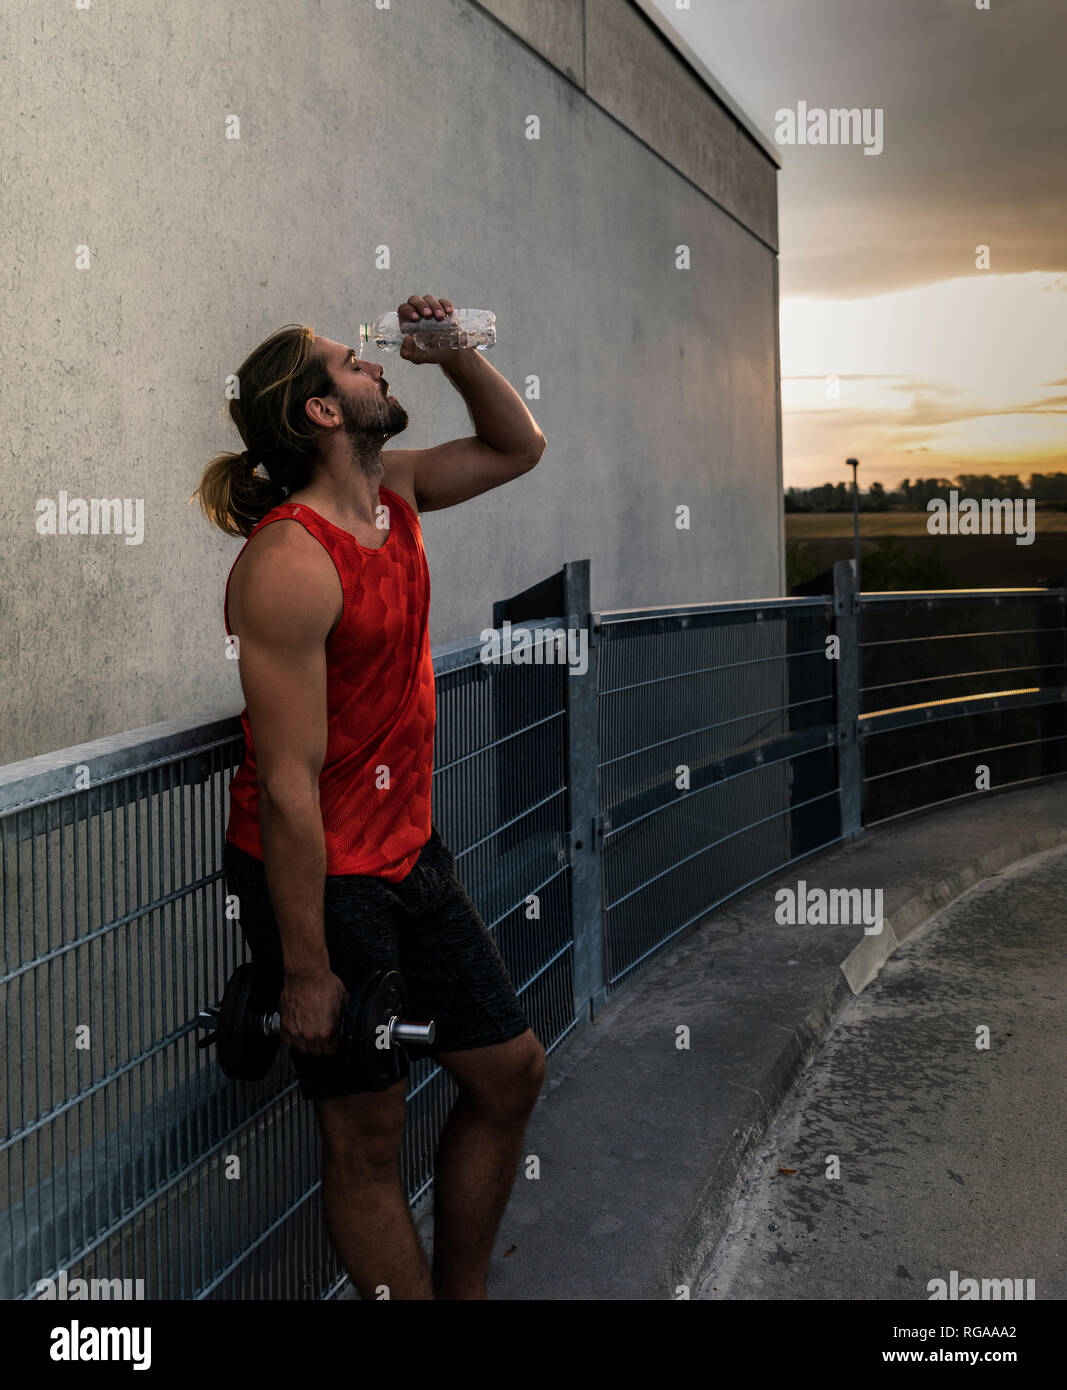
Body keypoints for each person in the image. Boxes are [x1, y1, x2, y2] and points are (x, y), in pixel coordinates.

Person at [191, 293, 548, 1299]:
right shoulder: (289, 562)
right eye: (355, 364)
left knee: (509, 1071)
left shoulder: (394, 495)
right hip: (321, 880)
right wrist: (305, 970)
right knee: (365, 1140)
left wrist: (456, 357)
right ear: (317, 412)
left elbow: (518, 447)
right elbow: (288, 784)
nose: (375, 368)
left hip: (405, 853)